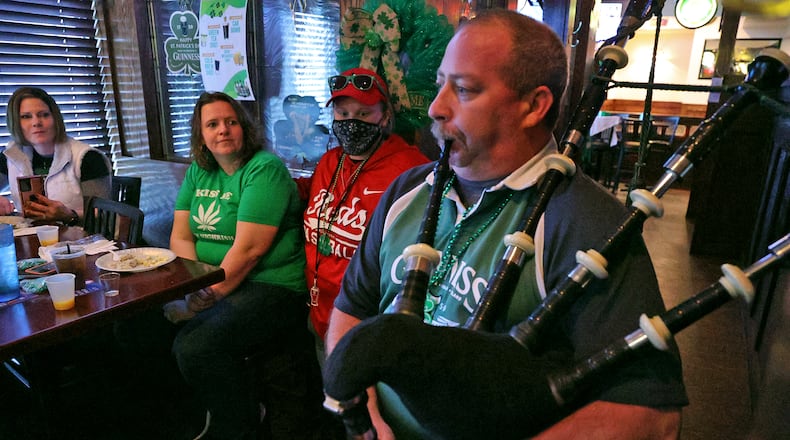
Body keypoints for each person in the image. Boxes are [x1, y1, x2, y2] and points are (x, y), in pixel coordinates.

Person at [326, 10, 687, 440]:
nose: (437, 108)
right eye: (442, 82)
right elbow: (352, 307)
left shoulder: (583, 221)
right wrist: (360, 402)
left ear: (533, 106)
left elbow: (649, 415)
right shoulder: (408, 188)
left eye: (463, 89)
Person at [118, 92, 308, 440]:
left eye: (231, 122)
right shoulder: (198, 172)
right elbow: (181, 238)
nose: (223, 130)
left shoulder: (264, 168)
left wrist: (210, 293)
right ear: (201, 134)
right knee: (135, 324)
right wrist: (193, 289)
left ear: (244, 128)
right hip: (208, 282)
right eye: (212, 124)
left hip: (272, 285)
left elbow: (249, 250)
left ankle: (241, 420)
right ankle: (185, 411)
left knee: (195, 345)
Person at [298, 67, 429, 361]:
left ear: (384, 116)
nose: (351, 123)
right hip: (319, 313)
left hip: (367, 326)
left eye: (363, 114)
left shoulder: (411, 171)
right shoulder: (329, 162)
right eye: (343, 114)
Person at [0, 87, 111, 224]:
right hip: (32, 238)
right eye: (26, 117)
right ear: (16, 123)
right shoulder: (11, 155)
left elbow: (103, 215)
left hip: (84, 240)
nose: (36, 122)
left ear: (55, 118)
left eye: (44, 114)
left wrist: (69, 215)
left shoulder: (88, 158)